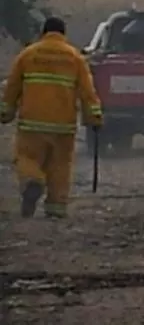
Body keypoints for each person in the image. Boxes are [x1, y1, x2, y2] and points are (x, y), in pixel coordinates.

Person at [0, 17, 103, 218]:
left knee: (27, 158)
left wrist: (6, 112)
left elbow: (12, 87)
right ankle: (56, 209)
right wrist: (95, 118)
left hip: (32, 124)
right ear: (63, 34)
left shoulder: (28, 54)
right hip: (63, 127)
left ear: (43, 32)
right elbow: (87, 92)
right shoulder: (75, 58)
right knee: (60, 165)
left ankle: (33, 181)